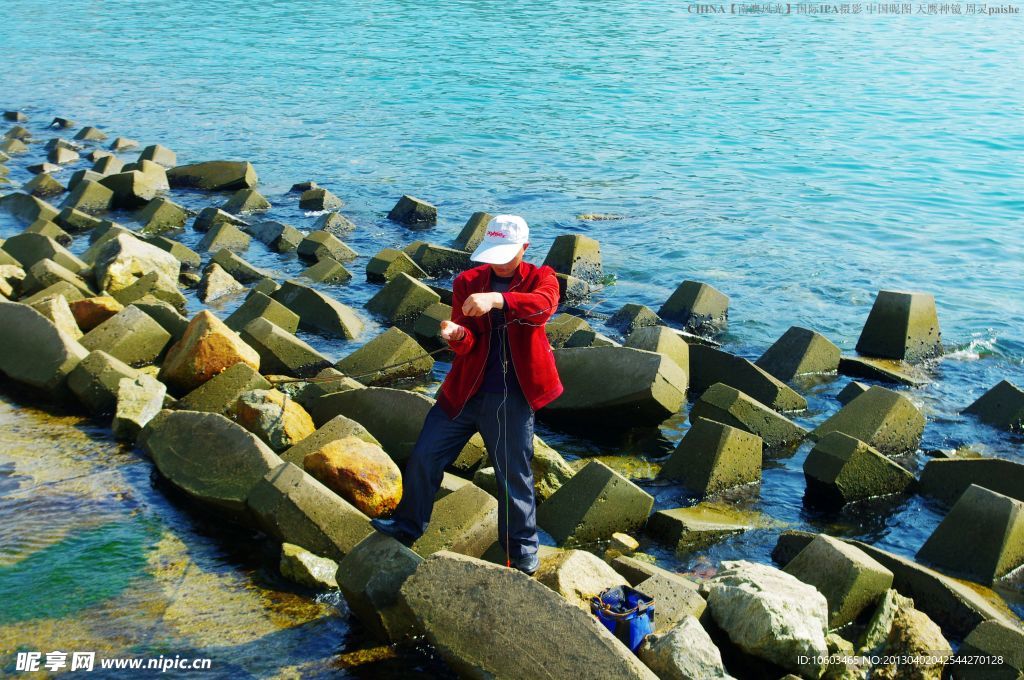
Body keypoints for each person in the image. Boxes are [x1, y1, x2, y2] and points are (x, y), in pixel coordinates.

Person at [370, 214, 563, 574]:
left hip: (512, 396)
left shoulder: (542, 278)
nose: (498, 260)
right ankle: (408, 525)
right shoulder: (467, 281)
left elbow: (543, 308)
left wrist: (498, 300)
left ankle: (521, 551)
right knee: (426, 454)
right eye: (493, 252)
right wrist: (457, 336)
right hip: (465, 390)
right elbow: (468, 343)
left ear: (524, 247)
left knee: (513, 475)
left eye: (507, 252)